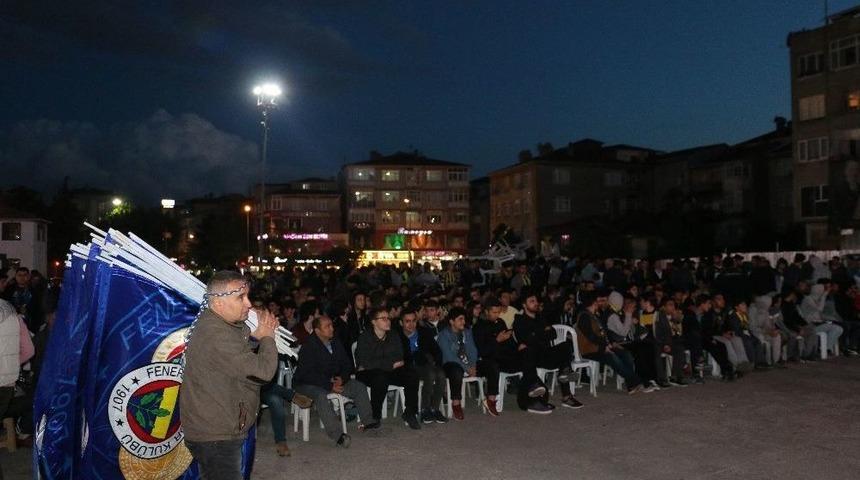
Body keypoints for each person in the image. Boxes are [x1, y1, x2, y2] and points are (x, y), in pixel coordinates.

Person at [180, 271, 280, 479]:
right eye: (240, 298)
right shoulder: (216, 335)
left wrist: (256, 336)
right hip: (215, 435)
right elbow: (262, 372)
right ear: (218, 304)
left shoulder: (219, 323)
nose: (249, 304)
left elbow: (236, 349)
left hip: (215, 427)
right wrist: (268, 338)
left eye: (248, 296)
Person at [293, 315, 375, 447]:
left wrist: (342, 378)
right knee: (321, 396)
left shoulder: (335, 341)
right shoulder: (309, 346)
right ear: (318, 331)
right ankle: (337, 435)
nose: (332, 329)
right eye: (327, 326)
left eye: (331, 325)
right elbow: (306, 374)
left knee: (358, 386)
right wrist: (329, 385)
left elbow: (347, 364)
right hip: (307, 383)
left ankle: (368, 422)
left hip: (332, 380)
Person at [354, 307, 422, 429]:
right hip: (368, 373)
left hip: (388, 371)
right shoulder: (365, 337)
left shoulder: (393, 335)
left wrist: (384, 362)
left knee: (412, 374)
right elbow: (366, 362)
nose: (388, 321)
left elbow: (399, 356)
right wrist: (390, 364)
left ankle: (410, 412)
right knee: (380, 377)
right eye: (383, 319)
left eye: (388, 318)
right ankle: (375, 416)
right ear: (374, 322)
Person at [576, 293, 647, 395]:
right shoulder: (584, 316)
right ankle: (638, 381)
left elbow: (605, 332)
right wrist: (604, 346)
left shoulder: (594, 315)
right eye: (598, 301)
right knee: (613, 358)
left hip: (600, 346)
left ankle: (631, 385)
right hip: (590, 349)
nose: (601, 303)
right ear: (594, 303)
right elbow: (591, 337)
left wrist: (612, 343)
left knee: (626, 354)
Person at [396, 307, 447, 424]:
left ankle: (435, 408)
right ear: (401, 323)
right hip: (407, 368)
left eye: (414, 321)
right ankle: (425, 409)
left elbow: (437, 351)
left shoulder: (424, 332)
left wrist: (436, 363)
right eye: (407, 321)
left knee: (440, 374)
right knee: (430, 373)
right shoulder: (396, 336)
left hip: (424, 364)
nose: (411, 324)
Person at [436, 307, 483, 419]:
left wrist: (473, 365)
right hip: (449, 365)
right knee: (456, 369)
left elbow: (472, 350)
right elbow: (449, 356)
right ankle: (456, 403)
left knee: (490, 365)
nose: (464, 321)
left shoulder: (467, 332)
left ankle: (491, 398)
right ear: (452, 321)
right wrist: (467, 368)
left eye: (464, 319)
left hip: (467, 365)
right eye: (460, 319)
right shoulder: (444, 335)